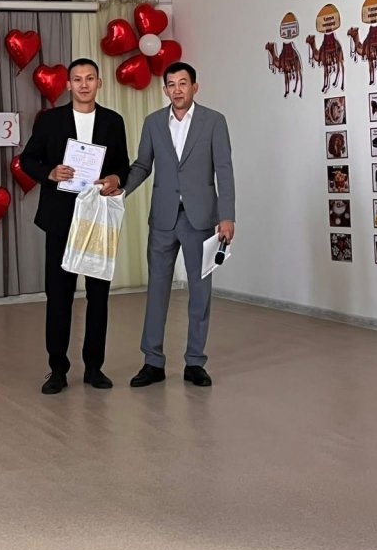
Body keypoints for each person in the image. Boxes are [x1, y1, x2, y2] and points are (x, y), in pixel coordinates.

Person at [123, 62, 235, 388]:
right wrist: (120, 189)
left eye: (183, 83)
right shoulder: (153, 122)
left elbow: (224, 170)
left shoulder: (214, 121)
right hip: (163, 218)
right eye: (171, 84)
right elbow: (142, 165)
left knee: (200, 292)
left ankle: (195, 362)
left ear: (194, 87)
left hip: (201, 219)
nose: (177, 89)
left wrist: (227, 216)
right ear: (165, 90)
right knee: (157, 291)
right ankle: (152, 362)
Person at [21, 59, 129, 395]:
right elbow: (27, 160)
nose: (84, 84)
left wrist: (116, 178)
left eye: (90, 78)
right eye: (77, 79)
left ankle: (95, 367)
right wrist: (50, 173)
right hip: (60, 218)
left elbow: (123, 165)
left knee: (98, 296)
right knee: (59, 296)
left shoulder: (113, 121)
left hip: (98, 219)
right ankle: (57, 369)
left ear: (99, 83)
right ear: (68, 84)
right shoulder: (51, 120)